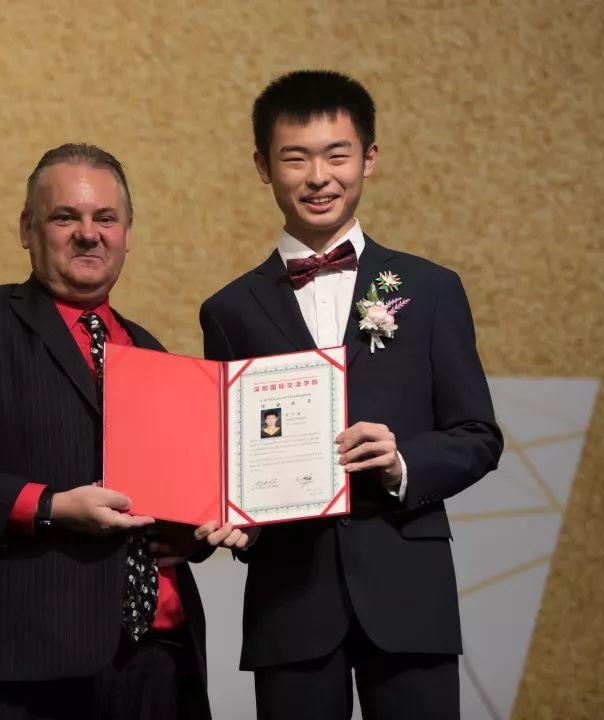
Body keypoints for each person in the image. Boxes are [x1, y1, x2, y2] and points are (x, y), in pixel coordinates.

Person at [199, 70, 503, 719]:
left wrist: (402, 465)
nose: (319, 177)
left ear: (369, 157)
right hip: (290, 600)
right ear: (263, 167)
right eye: (295, 158)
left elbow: (478, 435)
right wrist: (235, 515)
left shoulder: (430, 289)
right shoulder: (230, 311)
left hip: (409, 591)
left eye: (336, 155)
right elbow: (229, 456)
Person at [0, 143, 226, 719]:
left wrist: (196, 536)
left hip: (154, 662)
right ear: (27, 229)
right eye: (65, 216)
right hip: (5, 663)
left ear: (127, 233)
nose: (89, 234)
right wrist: (49, 506)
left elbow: (178, 497)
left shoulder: (153, 352)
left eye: (105, 218)